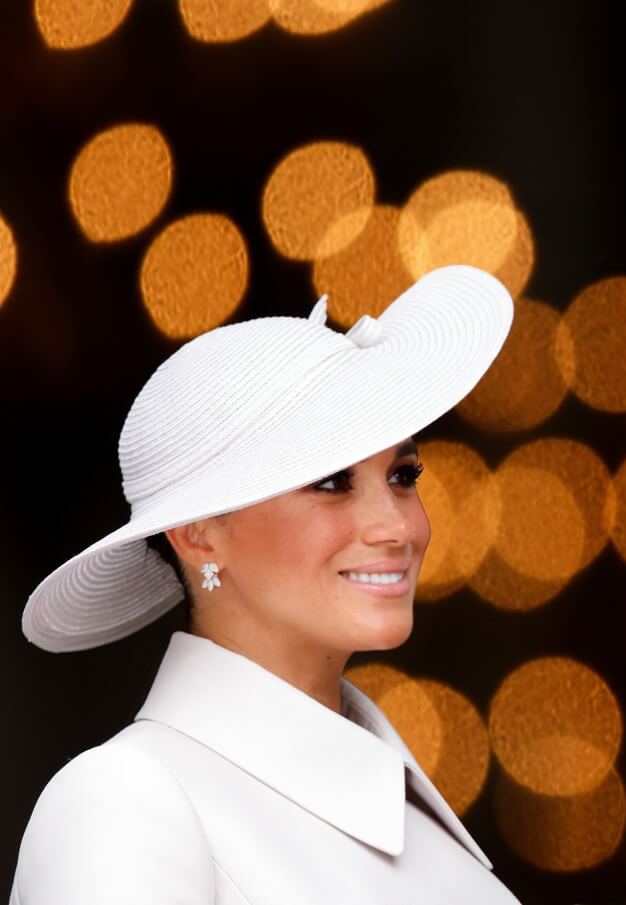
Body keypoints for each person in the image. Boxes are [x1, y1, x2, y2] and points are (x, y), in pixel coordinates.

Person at [10, 265, 522, 904]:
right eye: (332, 482)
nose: (397, 526)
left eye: (402, 475)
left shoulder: (403, 810)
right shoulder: (125, 800)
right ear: (198, 534)